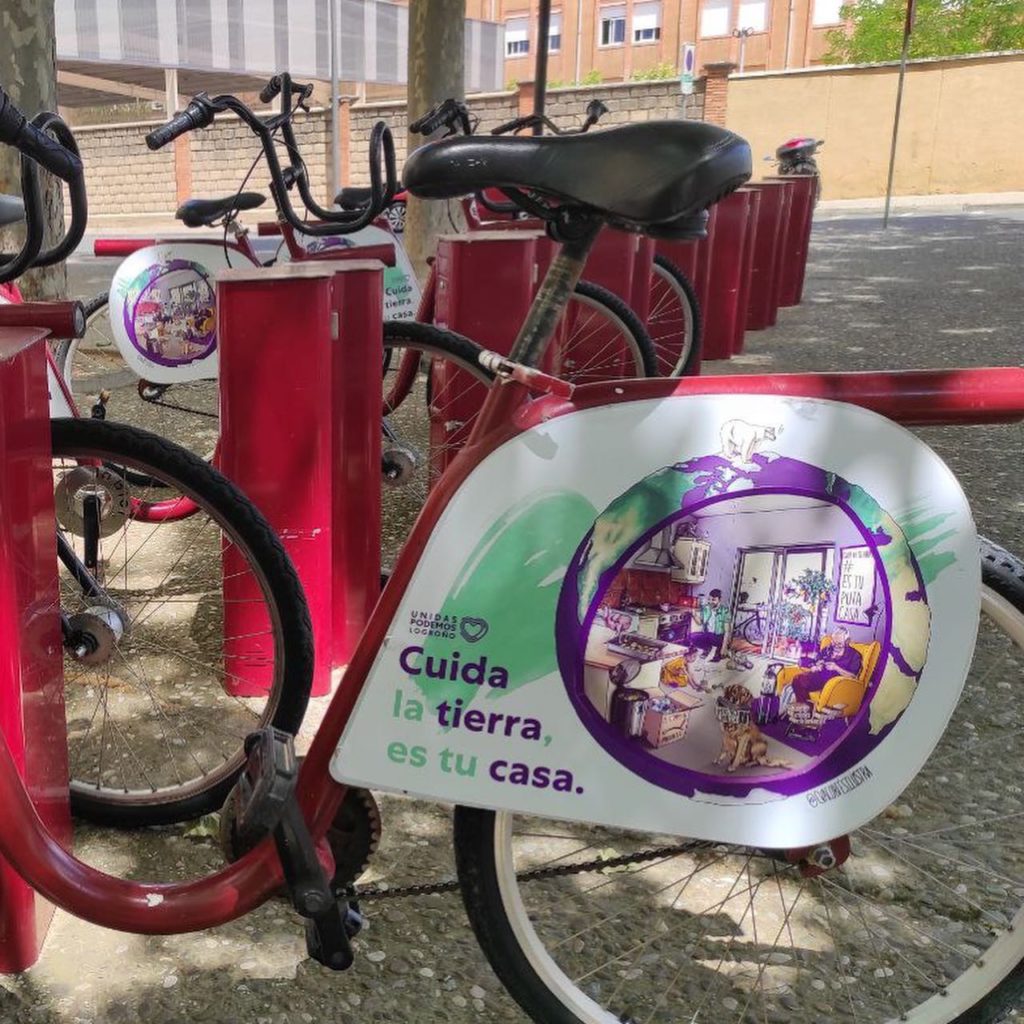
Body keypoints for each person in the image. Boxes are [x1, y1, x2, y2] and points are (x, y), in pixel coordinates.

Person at [784, 626, 862, 707]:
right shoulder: (827, 649)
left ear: (847, 641)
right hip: (820, 678)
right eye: (834, 642)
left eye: (839, 644)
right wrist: (816, 666)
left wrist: (836, 668)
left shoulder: (854, 655)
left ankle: (807, 709)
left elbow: (853, 677)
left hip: (837, 685)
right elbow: (815, 661)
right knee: (798, 679)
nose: (835, 646)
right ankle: (805, 708)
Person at [688, 589, 731, 662]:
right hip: (708, 634)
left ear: (719, 600)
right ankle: (707, 648)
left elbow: (727, 631)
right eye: (709, 599)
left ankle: (719, 650)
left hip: (719, 636)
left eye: (713, 600)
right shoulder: (706, 608)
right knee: (691, 636)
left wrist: (724, 647)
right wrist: (694, 615)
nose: (710, 602)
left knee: (719, 657)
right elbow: (699, 623)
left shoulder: (725, 610)